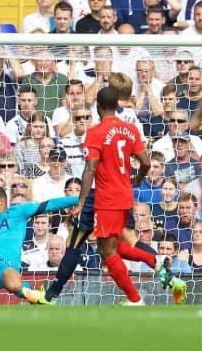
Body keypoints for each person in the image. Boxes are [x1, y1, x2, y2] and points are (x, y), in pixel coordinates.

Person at [74, 87, 178, 305]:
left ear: (98, 107)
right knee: (113, 245)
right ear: (117, 105)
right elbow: (147, 162)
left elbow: (90, 168)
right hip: (125, 197)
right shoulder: (130, 129)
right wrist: (138, 179)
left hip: (107, 199)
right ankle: (156, 261)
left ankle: (135, 299)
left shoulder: (95, 133)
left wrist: (81, 202)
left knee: (106, 252)